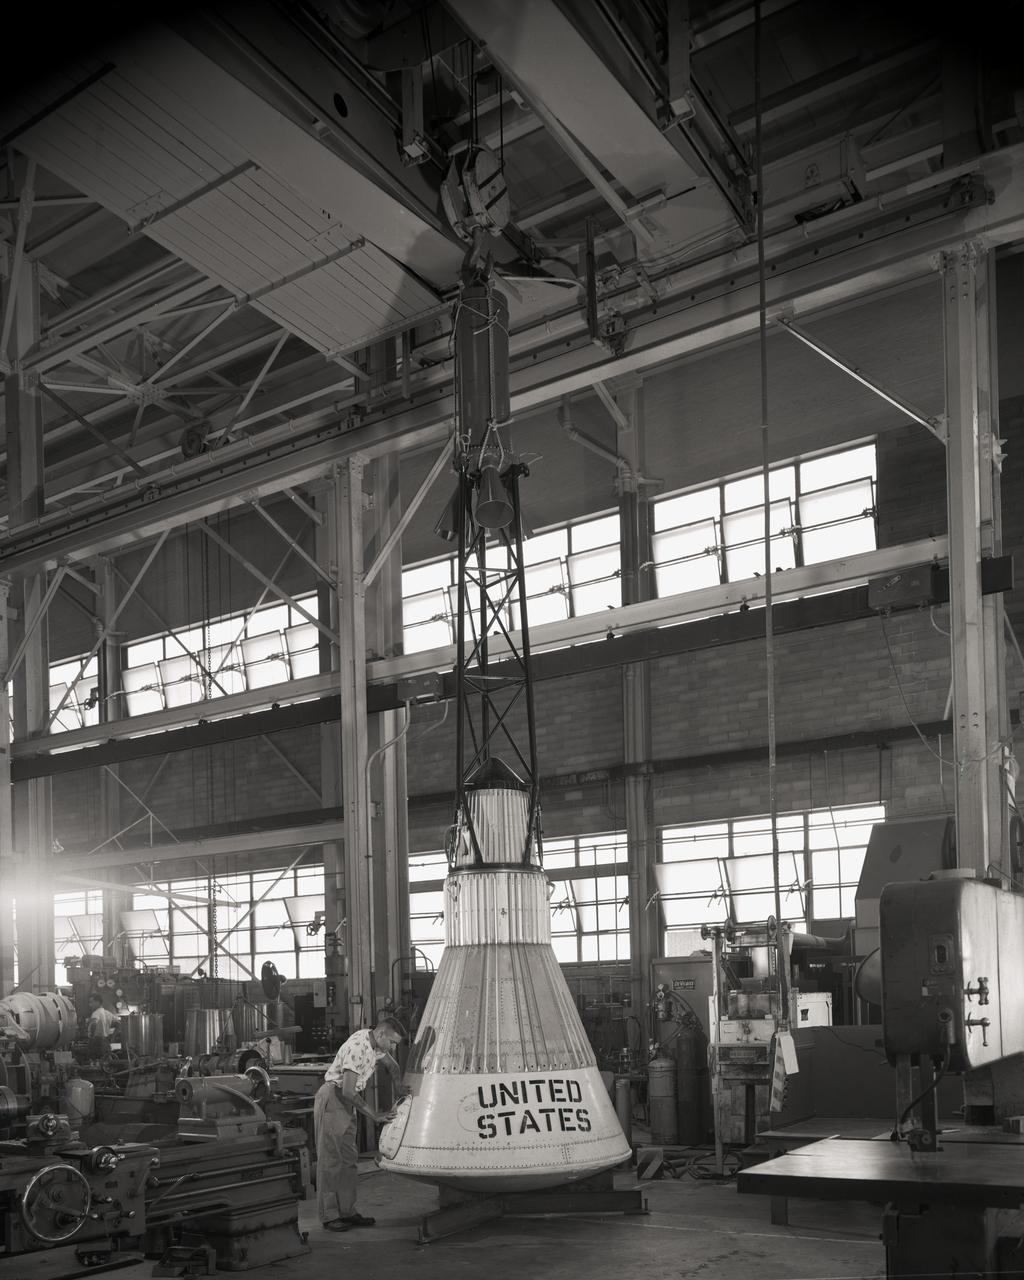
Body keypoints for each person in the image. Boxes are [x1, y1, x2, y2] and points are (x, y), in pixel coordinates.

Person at [313, 1015, 406, 1232]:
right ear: (381, 1033)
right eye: (392, 1042)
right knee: (330, 1160)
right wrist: (374, 1115)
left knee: (348, 1160)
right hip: (334, 1098)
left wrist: (399, 1088)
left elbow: (392, 1066)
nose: (392, 1048)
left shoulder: (376, 1044)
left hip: (347, 1103)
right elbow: (347, 1090)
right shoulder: (358, 1047)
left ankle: (347, 1211)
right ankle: (329, 1216)